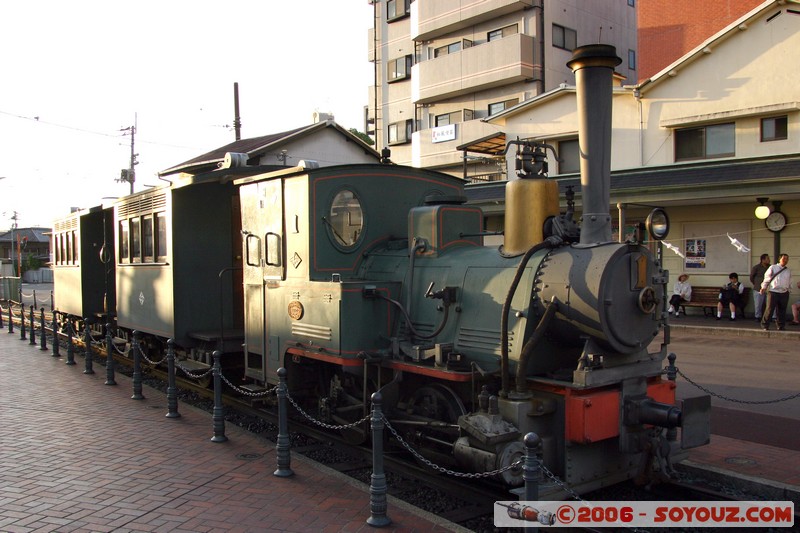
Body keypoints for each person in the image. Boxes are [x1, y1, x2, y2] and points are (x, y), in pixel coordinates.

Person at [760, 254, 791, 331]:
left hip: (784, 292)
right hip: (773, 291)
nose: (785, 260)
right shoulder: (773, 267)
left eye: (787, 259)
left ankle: (781, 326)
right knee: (770, 309)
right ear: (779, 259)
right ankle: (765, 325)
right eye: (784, 259)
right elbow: (767, 278)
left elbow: (790, 281)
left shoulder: (788, 270)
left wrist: (789, 289)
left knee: (782, 310)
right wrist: (763, 287)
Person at [750, 253, 770, 321]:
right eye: (767, 258)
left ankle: (769, 317)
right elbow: (751, 277)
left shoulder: (770, 267)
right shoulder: (756, 267)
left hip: (768, 288)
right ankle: (757, 316)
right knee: (758, 303)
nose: (769, 260)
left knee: (769, 303)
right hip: (758, 288)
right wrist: (756, 283)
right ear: (763, 260)